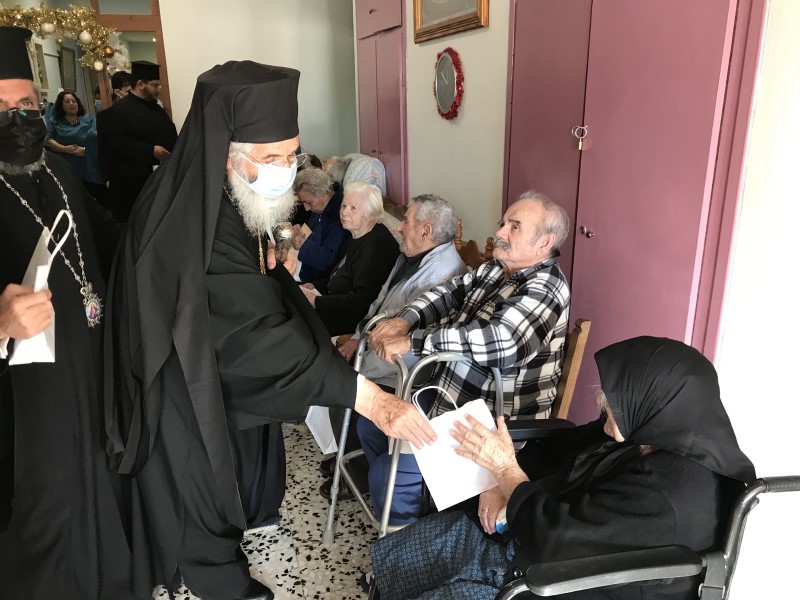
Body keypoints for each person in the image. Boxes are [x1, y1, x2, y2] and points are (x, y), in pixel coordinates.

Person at [103, 60, 435, 600]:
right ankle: (218, 582)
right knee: (196, 490)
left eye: (292, 154)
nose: (287, 170)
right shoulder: (198, 217)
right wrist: (369, 399)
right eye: (272, 158)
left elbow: (256, 285)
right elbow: (252, 333)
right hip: (180, 386)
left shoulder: (224, 194)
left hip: (211, 371)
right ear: (226, 153)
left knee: (229, 475)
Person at [369, 336, 757, 600]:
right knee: (434, 538)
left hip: (559, 579)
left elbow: (557, 541)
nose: (603, 401)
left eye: (617, 398)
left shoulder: (669, 494)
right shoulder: (645, 434)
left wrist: (505, 469)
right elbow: (556, 448)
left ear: (655, 403)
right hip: (532, 536)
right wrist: (496, 481)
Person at [0, 26, 134, 600]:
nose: (18, 119)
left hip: (91, 371)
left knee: (101, 481)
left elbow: (111, 236)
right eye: (2, 108)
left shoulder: (59, 172)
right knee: (48, 503)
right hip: (27, 401)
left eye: (28, 105)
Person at [358, 192, 571, 522]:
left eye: (514, 226)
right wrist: (404, 320)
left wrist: (412, 341)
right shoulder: (497, 269)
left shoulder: (547, 286)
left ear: (545, 242)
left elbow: (501, 340)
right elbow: (447, 294)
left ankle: (406, 535)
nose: (499, 232)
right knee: (371, 424)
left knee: (389, 473)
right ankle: (420, 506)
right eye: (503, 223)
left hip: (491, 425)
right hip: (449, 402)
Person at [319, 194, 468, 501]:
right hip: (378, 351)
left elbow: (406, 340)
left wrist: (360, 367)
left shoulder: (439, 273)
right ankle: (349, 458)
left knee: (342, 386)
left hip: (404, 370)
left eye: (406, 221)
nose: (399, 227)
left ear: (426, 230)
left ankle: (356, 474)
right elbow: (379, 304)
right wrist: (358, 338)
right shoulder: (411, 256)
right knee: (335, 373)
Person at [301, 181, 400, 336]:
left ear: (370, 213)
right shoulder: (357, 233)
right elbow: (340, 274)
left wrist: (316, 300)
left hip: (353, 319)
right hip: (335, 301)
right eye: (343, 206)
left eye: (353, 208)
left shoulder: (375, 245)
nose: (344, 212)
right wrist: (314, 286)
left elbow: (361, 302)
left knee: (298, 321)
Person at [98, 60, 177, 221]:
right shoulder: (117, 112)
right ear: (141, 84)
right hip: (134, 185)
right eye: (155, 85)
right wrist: (150, 150)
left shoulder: (156, 108)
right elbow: (115, 147)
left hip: (160, 180)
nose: (159, 90)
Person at [44, 90, 106, 203]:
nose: (71, 104)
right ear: (60, 105)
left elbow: (99, 138)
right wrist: (64, 149)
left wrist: (86, 150)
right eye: (67, 101)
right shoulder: (54, 122)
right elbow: (47, 140)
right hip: (67, 169)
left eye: (74, 101)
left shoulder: (89, 119)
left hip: (90, 168)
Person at [291, 166, 348, 282]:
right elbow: (315, 234)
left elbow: (330, 261)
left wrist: (303, 244)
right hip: (303, 263)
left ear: (323, 193)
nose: (306, 208)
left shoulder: (341, 215)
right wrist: (301, 232)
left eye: (308, 202)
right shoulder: (321, 206)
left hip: (315, 278)